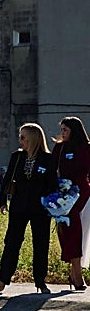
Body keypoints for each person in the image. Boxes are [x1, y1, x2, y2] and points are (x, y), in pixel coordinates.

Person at [0, 123, 56, 294]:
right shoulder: (17, 157)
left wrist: (54, 206)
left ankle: (40, 281)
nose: (20, 140)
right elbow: (7, 180)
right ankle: (3, 278)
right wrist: (2, 201)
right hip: (19, 206)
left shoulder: (47, 159)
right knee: (12, 242)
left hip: (41, 208)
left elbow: (52, 184)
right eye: (20, 136)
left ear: (33, 139)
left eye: (23, 137)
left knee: (41, 244)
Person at [53, 116, 90, 291]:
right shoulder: (59, 148)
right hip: (62, 193)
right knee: (66, 229)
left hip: (81, 192)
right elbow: (53, 170)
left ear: (74, 131)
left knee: (75, 226)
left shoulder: (85, 148)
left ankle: (77, 272)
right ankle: (73, 269)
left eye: (65, 130)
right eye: (61, 130)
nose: (62, 133)